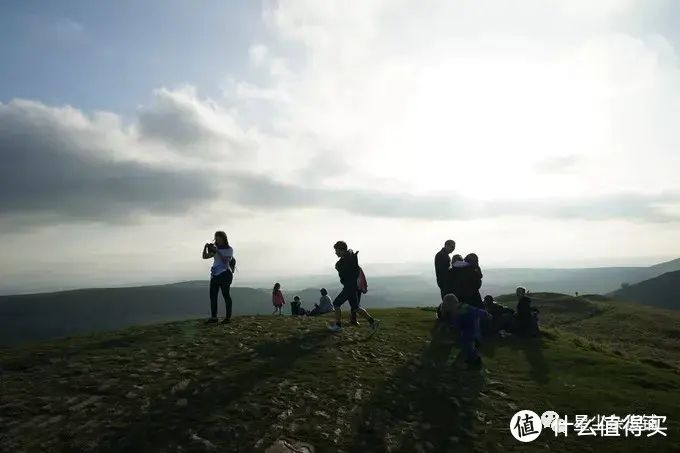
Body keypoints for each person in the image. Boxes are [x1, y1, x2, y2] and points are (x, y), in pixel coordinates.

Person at [328, 241, 380, 333]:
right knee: (355, 307)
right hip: (353, 286)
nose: (335, 252)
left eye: (336, 250)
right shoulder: (350, 257)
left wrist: (338, 267)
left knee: (336, 304)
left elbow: (345, 272)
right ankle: (373, 322)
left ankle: (338, 325)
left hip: (349, 287)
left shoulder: (346, 260)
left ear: (341, 250)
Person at [441, 293, 491, 368]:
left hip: (474, 331)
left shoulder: (461, 310)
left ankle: (475, 361)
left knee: (464, 342)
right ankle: (467, 358)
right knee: (463, 341)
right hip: (471, 330)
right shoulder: (462, 308)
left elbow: (481, 314)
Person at [202, 231, 235, 325]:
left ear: (224, 239)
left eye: (220, 239)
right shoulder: (215, 249)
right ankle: (213, 317)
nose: (218, 241)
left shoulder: (229, 249)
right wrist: (205, 248)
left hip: (225, 274)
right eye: (217, 239)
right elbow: (205, 257)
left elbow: (226, 261)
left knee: (226, 295)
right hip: (215, 275)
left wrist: (217, 251)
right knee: (213, 296)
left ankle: (228, 317)